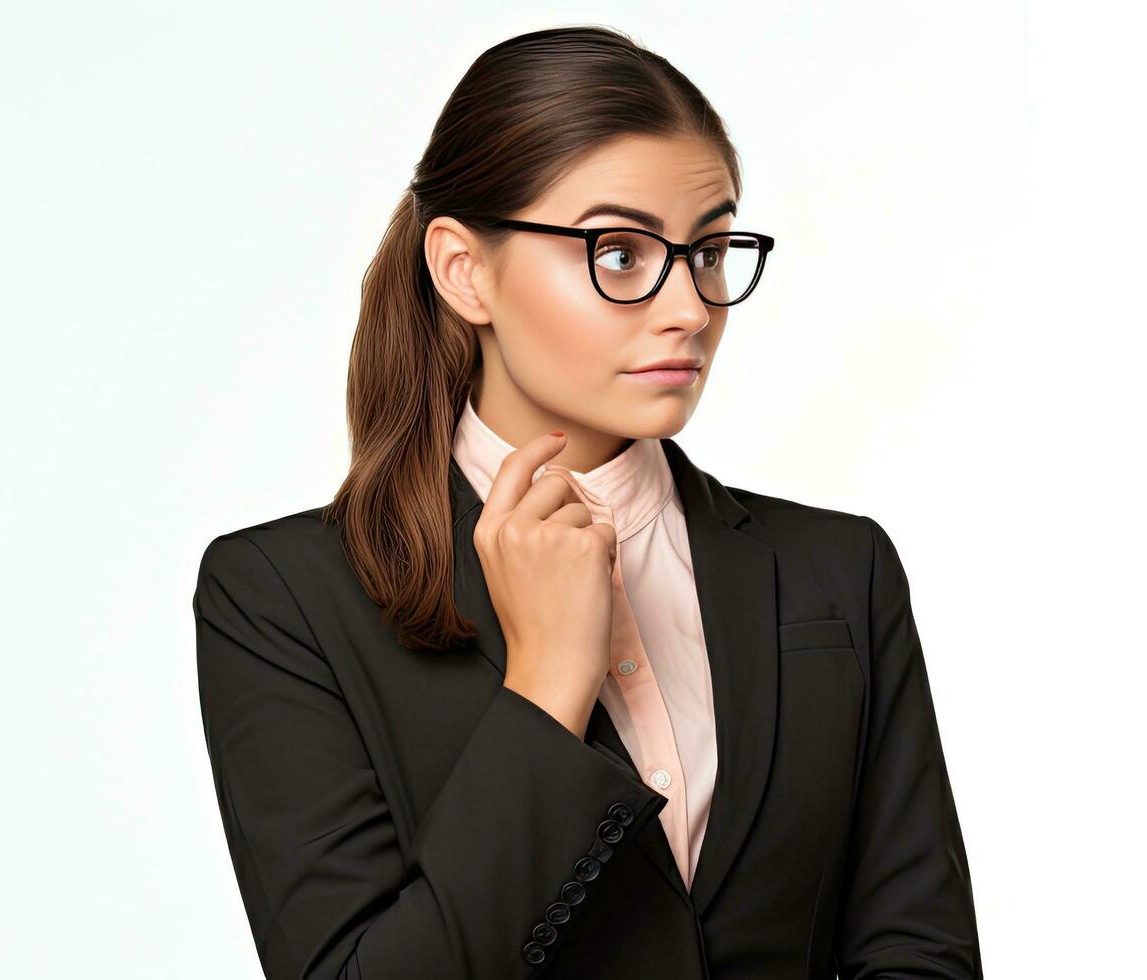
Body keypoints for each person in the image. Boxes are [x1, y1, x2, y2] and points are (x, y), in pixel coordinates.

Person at [191, 25, 979, 979]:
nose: (690, 306)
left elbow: (918, 953)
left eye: (711, 249)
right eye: (617, 252)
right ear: (463, 270)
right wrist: (547, 688)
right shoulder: (283, 598)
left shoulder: (838, 570)